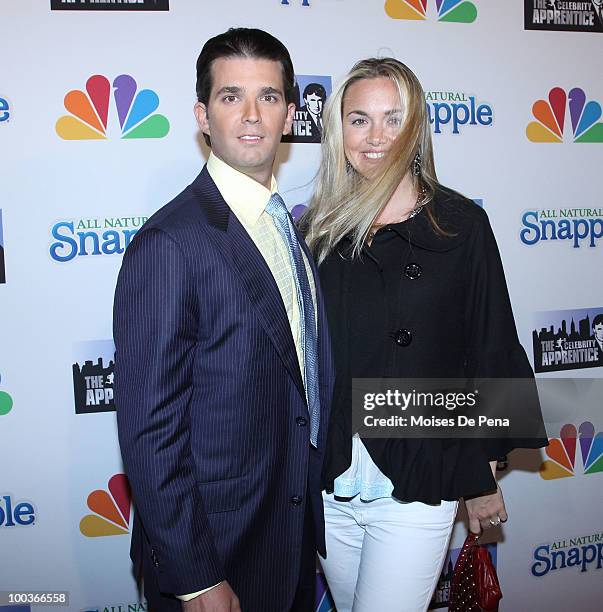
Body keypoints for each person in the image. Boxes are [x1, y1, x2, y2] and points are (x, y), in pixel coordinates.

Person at [302, 57, 547, 611]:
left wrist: (481, 476)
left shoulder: (459, 224)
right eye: (359, 119)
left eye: (393, 119)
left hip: (420, 470)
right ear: (339, 130)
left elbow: (489, 343)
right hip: (332, 478)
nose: (375, 137)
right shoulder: (316, 230)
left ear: (416, 127)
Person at [113, 28, 333, 612]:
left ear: (291, 113)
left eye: (268, 97)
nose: (252, 115)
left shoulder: (291, 227)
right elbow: (149, 429)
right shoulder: (169, 242)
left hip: (290, 538)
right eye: (232, 97)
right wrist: (195, 577)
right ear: (202, 116)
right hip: (216, 554)